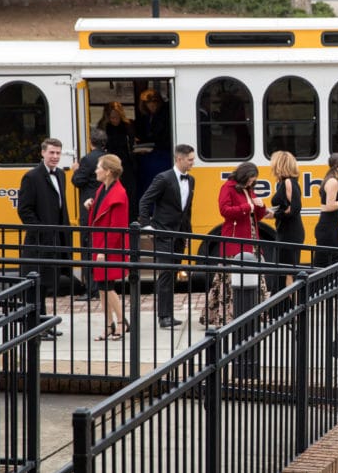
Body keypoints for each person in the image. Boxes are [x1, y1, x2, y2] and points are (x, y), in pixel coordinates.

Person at [202, 162, 270, 328]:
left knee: (256, 277)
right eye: (249, 180)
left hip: (252, 238)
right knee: (230, 279)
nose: (250, 184)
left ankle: (255, 313)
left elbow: (257, 215)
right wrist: (248, 206)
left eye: (253, 181)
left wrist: (261, 206)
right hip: (235, 237)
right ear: (243, 176)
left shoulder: (248, 189)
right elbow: (224, 210)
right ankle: (227, 316)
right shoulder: (228, 187)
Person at [138, 143, 196, 329]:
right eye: (190, 159)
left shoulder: (191, 180)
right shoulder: (163, 178)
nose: (192, 163)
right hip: (163, 232)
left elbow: (187, 209)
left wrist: (187, 232)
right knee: (165, 273)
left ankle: (169, 314)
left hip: (180, 233)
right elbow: (145, 201)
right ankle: (164, 316)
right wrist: (147, 225)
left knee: (172, 273)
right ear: (179, 159)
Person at [17, 138, 71, 335]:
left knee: (47, 284)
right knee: (36, 285)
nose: (55, 157)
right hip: (38, 241)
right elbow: (24, 210)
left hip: (55, 240)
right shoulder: (32, 177)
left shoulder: (62, 175)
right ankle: (35, 327)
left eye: (58, 153)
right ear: (43, 153)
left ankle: (43, 325)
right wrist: (42, 230)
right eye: (52, 153)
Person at [87, 154, 129, 341]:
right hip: (100, 245)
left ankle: (121, 323)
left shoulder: (118, 193)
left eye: (99, 167)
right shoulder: (102, 189)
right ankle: (109, 325)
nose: (96, 170)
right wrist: (91, 204)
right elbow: (101, 213)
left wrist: (105, 250)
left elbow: (116, 228)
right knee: (102, 287)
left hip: (108, 247)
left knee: (107, 286)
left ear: (108, 171)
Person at [71, 127, 107, 301]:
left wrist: (76, 170)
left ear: (91, 142)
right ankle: (101, 285)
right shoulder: (109, 158)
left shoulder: (88, 159)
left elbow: (78, 181)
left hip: (89, 208)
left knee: (87, 247)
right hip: (103, 206)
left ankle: (91, 289)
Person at [313, 152, 338, 268]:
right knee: (329, 260)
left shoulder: (335, 180)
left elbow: (331, 204)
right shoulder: (333, 181)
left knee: (333, 258)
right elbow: (330, 206)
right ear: (337, 166)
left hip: (331, 226)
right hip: (328, 227)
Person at [269, 150, 305, 283]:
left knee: (288, 272)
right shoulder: (281, 183)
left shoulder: (289, 182)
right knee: (282, 270)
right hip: (283, 230)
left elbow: (295, 208)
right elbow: (286, 207)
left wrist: (275, 214)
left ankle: (291, 303)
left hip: (291, 232)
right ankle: (283, 302)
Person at [98, 102, 136, 216]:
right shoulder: (103, 127)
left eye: (117, 117)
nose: (114, 119)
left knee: (129, 190)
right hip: (110, 163)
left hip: (127, 162)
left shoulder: (127, 125)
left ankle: (131, 217)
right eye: (111, 117)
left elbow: (132, 142)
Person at [135, 89, 173, 199]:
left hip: (162, 154)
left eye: (155, 102)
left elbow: (165, 137)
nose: (152, 105)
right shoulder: (146, 117)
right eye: (148, 102)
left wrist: (152, 145)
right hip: (148, 155)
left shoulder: (165, 115)